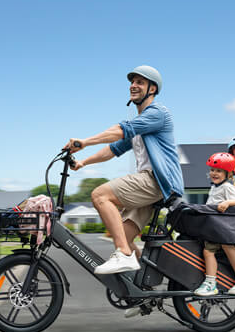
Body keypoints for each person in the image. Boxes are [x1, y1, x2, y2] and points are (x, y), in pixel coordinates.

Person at [64, 65, 184, 275]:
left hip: (157, 182)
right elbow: (113, 149)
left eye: (140, 82)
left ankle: (124, 255)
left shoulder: (157, 113)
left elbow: (120, 130)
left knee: (100, 195)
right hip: (149, 186)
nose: (133, 85)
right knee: (123, 237)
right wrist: (83, 163)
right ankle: (142, 291)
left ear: (152, 89)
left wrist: (85, 141)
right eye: (132, 82)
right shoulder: (140, 124)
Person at [194, 152, 235, 296]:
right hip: (215, 227)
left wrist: (227, 202)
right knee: (211, 251)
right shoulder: (214, 187)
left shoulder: (226, 187)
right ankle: (214, 282)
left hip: (223, 227)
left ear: (228, 174)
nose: (214, 173)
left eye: (218, 171)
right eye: (212, 170)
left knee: (220, 249)